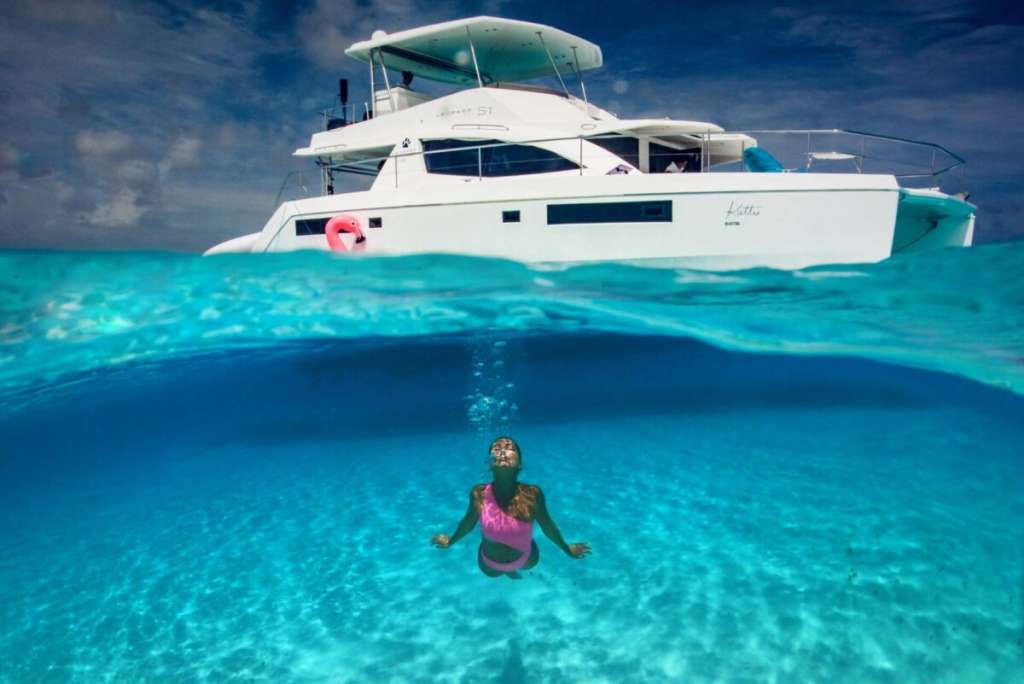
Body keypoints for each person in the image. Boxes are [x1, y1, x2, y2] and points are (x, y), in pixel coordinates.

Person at [431, 437, 591, 578]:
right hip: (489, 563)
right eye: (496, 449)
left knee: (524, 555)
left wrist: (566, 548)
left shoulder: (532, 494)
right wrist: (451, 541)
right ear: (489, 464)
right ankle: (508, 571)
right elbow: (467, 523)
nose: (502, 452)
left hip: (527, 558)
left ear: (520, 464)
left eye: (509, 449)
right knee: (494, 575)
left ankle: (512, 568)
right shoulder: (478, 493)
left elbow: (548, 526)